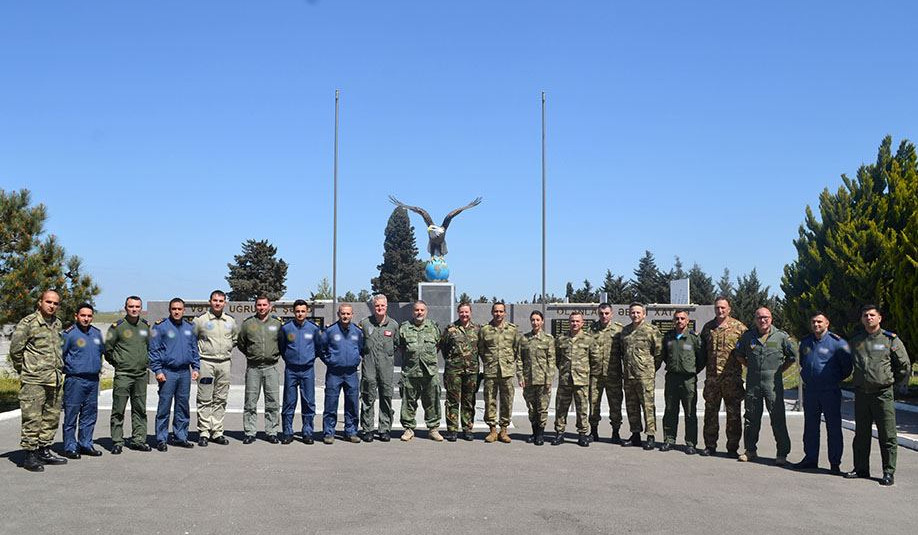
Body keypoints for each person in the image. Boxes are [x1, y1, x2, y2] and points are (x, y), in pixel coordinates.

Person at [845, 305, 911, 486]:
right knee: (861, 434)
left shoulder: (890, 340)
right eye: (865, 315)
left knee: (887, 435)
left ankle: (888, 471)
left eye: (872, 315)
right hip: (861, 394)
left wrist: (892, 383)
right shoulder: (857, 340)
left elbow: (904, 365)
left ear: (879, 318)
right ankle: (861, 468)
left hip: (883, 394)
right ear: (862, 319)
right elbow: (847, 363)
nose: (868, 318)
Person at [10, 290, 68, 471]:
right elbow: (15, 351)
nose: (52, 306)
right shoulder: (28, 323)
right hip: (34, 380)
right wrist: (26, 369)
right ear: (40, 302)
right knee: (32, 419)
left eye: (55, 303)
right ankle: (30, 455)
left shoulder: (57, 323)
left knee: (51, 417)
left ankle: (44, 449)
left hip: (55, 379)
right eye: (48, 302)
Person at [735, 307, 797, 465]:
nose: (763, 320)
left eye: (766, 317)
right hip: (753, 383)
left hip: (773, 385)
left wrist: (778, 371)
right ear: (755, 319)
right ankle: (750, 450)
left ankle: (782, 453)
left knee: (777, 418)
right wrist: (751, 367)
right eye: (759, 317)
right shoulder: (748, 337)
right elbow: (739, 355)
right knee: (751, 418)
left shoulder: (781, 337)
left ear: (771, 319)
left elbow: (792, 357)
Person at [794, 312, 852, 473]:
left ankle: (834, 463)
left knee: (833, 427)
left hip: (830, 391)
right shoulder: (805, 342)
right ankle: (810, 459)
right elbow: (803, 363)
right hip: (811, 391)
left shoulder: (838, 343)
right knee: (810, 427)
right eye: (813, 322)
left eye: (819, 322)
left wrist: (832, 378)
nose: (816, 325)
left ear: (827, 323)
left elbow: (847, 368)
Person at [149, 298, 200, 451]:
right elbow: (154, 350)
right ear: (169, 310)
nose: (176, 311)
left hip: (184, 372)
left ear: (184, 310)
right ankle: (161, 439)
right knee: (164, 407)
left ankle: (180, 436)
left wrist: (196, 367)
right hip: (167, 372)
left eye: (179, 309)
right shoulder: (160, 327)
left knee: (183, 406)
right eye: (174, 309)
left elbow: (194, 349)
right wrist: (157, 370)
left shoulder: (190, 327)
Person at [699, 296, 747, 457]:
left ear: (729, 309)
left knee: (733, 415)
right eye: (717, 308)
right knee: (710, 413)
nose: (720, 310)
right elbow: (701, 351)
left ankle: (732, 447)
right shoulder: (708, 328)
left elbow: (749, 351)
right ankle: (710, 445)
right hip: (712, 380)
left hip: (732, 380)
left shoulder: (739, 328)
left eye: (723, 308)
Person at [104, 295, 152, 454]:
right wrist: (119, 363)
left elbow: (149, 347)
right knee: (119, 409)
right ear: (126, 308)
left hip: (140, 375)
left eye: (137, 307)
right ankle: (117, 441)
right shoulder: (117, 327)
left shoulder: (145, 327)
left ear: (141, 308)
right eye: (131, 306)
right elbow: (108, 350)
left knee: (140, 409)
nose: (134, 309)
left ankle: (138, 439)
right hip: (123, 374)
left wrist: (145, 362)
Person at [614, 302, 662, 450]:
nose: (635, 315)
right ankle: (635, 435)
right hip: (629, 376)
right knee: (631, 407)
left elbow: (659, 353)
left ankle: (650, 436)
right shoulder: (625, 331)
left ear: (644, 314)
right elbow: (622, 352)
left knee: (647, 406)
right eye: (633, 312)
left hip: (645, 376)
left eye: (638, 313)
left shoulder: (651, 330)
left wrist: (650, 369)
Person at [192, 290, 238, 447]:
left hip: (224, 363)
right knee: (205, 398)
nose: (218, 303)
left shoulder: (230, 321)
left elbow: (235, 339)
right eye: (215, 300)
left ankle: (217, 431)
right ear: (210, 301)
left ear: (225, 303)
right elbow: (193, 339)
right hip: (206, 363)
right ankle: (204, 431)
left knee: (220, 398)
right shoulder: (200, 321)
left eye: (221, 301)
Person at [237, 296, 284, 444]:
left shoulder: (277, 324)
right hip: (253, 368)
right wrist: (252, 355)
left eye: (264, 305)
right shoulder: (248, 324)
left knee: (273, 402)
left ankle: (272, 431)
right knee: (250, 402)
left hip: (271, 367)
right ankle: (250, 432)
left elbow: (282, 343)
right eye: (259, 305)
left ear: (270, 306)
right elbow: (241, 343)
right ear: (255, 306)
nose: (262, 307)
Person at [61, 303, 104, 459]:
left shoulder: (97, 333)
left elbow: (100, 353)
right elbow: (61, 356)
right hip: (75, 380)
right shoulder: (68, 334)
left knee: (89, 414)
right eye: (83, 315)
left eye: (89, 316)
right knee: (71, 414)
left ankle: (86, 444)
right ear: (76, 316)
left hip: (92, 380)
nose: (86, 318)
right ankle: (70, 446)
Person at [659, 310, 704, 454]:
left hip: (688, 380)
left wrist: (691, 370)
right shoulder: (668, 337)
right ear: (673, 320)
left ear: (687, 321)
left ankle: (691, 443)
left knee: (690, 412)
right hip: (672, 378)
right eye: (677, 318)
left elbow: (702, 358)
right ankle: (669, 440)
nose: (679, 321)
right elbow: (665, 356)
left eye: (682, 318)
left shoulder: (694, 338)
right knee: (670, 410)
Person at [397, 300, 443, 442]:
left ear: (426, 311)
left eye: (422, 310)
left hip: (429, 372)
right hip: (410, 371)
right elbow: (400, 347)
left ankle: (433, 429)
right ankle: (409, 429)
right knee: (408, 401)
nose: (419, 313)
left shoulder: (433, 328)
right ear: (413, 312)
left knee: (432, 400)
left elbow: (438, 345)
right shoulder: (404, 328)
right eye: (417, 310)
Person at [319, 304, 364, 444]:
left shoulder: (358, 332)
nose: (345, 316)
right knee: (331, 403)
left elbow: (362, 349)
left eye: (348, 314)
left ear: (352, 315)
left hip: (351, 373)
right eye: (343, 313)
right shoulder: (330, 331)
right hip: (334, 373)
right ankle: (328, 432)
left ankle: (350, 432)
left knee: (352, 403)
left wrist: (356, 359)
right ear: (338, 314)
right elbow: (321, 349)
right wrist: (330, 361)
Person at [357, 294, 400, 442]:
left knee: (386, 397)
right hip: (369, 366)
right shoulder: (365, 324)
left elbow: (396, 344)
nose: (380, 308)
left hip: (386, 368)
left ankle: (384, 429)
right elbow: (360, 345)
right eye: (377, 306)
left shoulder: (393, 325)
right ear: (373, 306)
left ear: (386, 307)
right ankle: (368, 429)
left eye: (382, 305)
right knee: (368, 397)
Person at [477, 302, 521, 443]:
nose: (498, 314)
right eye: (496, 311)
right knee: (490, 399)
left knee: (507, 400)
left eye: (501, 311)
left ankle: (503, 430)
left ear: (505, 313)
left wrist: (508, 362)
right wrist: (489, 361)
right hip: (491, 371)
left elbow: (516, 349)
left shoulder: (512, 330)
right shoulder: (485, 330)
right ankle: (492, 430)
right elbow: (481, 350)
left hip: (507, 371)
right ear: (492, 312)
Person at [277, 299, 319, 444]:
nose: (300, 314)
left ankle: (307, 432)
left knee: (308, 402)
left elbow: (318, 347)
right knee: (289, 401)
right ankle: (287, 432)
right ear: (293, 312)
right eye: (297, 311)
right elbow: (282, 347)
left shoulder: (313, 328)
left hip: (307, 370)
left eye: (303, 311)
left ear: (307, 311)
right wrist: (290, 359)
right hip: (291, 370)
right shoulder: (286, 328)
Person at [440, 302, 480, 442]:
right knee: (452, 400)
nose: (464, 315)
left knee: (469, 400)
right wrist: (453, 362)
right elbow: (443, 348)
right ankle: (452, 430)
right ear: (458, 312)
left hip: (471, 371)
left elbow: (480, 349)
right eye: (461, 312)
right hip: (453, 371)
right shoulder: (450, 329)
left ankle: (467, 428)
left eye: (466, 312)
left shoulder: (477, 329)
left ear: (470, 313)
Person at [552, 312, 591, 447]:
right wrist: (564, 370)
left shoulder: (588, 339)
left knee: (582, 408)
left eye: (577, 321)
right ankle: (559, 433)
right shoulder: (561, 338)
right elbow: (557, 358)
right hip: (565, 380)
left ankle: (582, 434)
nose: (574, 323)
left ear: (582, 323)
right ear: (569, 322)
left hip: (581, 380)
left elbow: (594, 359)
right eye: (572, 321)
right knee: (561, 408)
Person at [518, 310, 555, 445]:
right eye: (533, 320)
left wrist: (549, 379)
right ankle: (534, 433)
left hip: (543, 380)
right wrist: (520, 377)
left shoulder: (548, 339)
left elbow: (551, 360)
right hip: (528, 380)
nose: (535, 322)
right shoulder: (524, 339)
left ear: (542, 321)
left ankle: (540, 434)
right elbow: (519, 359)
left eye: (538, 320)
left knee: (542, 408)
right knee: (532, 408)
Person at [588, 303, 623, 443]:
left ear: (612, 314)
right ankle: (593, 432)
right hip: (595, 375)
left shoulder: (619, 330)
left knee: (615, 405)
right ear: (598, 313)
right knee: (593, 404)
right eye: (601, 313)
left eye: (607, 313)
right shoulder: (591, 330)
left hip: (613, 375)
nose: (604, 316)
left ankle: (615, 432)